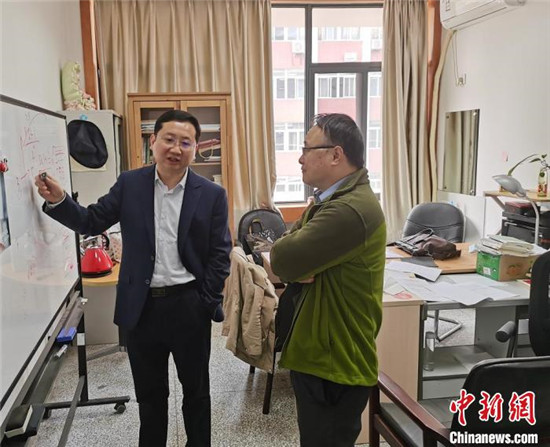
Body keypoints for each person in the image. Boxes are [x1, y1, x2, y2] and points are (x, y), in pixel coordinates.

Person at [35, 110, 232, 447]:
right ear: (153, 141)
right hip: (142, 309)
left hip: (189, 306)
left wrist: (207, 300)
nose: (176, 148)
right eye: (169, 139)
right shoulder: (130, 184)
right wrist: (60, 201)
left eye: (186, 142)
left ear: (196, 148)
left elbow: (220, 251)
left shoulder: (212, 194)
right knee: (150, 397)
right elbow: (92, 221)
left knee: (197, 393)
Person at [270, 113, 386, 447]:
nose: (300, 158)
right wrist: (297, 261)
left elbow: (282, 258)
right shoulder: (330, 200)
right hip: (323, 353)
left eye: (307, 149)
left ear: (336, 155)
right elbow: (288, 252)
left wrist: (297, 262)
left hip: (334, 363)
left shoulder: (349, 209)